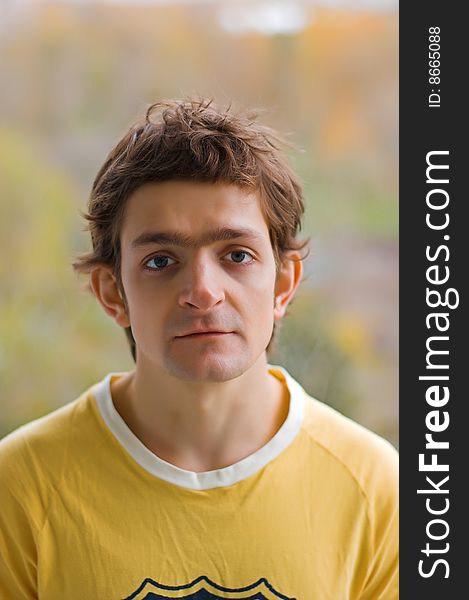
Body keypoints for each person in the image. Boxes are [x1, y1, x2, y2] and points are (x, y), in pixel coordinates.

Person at [0, 99, 398, 599]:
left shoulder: (375, 487)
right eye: (161, 260)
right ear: (111, 292)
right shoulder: (20, 486)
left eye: (237, 254)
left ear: (283, 283)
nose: (203, 290)